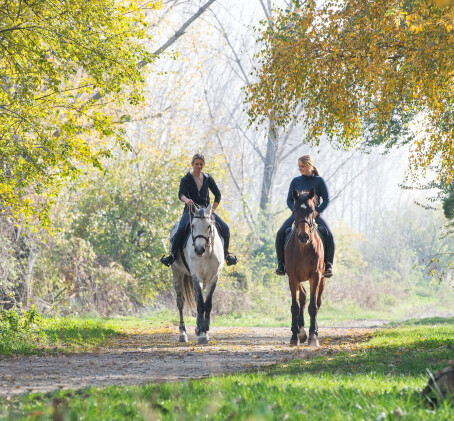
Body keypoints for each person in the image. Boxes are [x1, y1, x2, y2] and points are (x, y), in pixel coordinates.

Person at [160, 153, 238, 267]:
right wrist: (186, 200)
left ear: (204, 165)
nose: (199, 166)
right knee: (181, 228)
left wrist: (213, 209)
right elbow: (180, 194)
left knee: (225, 228)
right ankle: (171, 255)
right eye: (196, 164)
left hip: (206, 211)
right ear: (192, 164)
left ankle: (226, 255)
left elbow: (217, 194)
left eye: (201, 164)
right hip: (191, 210)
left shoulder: (208, 178)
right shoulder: (186, 178)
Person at [275, 155, 335, 277]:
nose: (300, 168)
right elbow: (289, 200)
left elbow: (327, 200)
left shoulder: (319, 181)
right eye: (299, 166)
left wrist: (317, 212)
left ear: (310, 165)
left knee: (330, 235)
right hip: (298, 216)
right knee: (280, 233)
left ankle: (328, 265)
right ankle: (281, 264)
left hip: (314, 215)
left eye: (302, 166)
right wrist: (296, 212)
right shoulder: (295, 181)